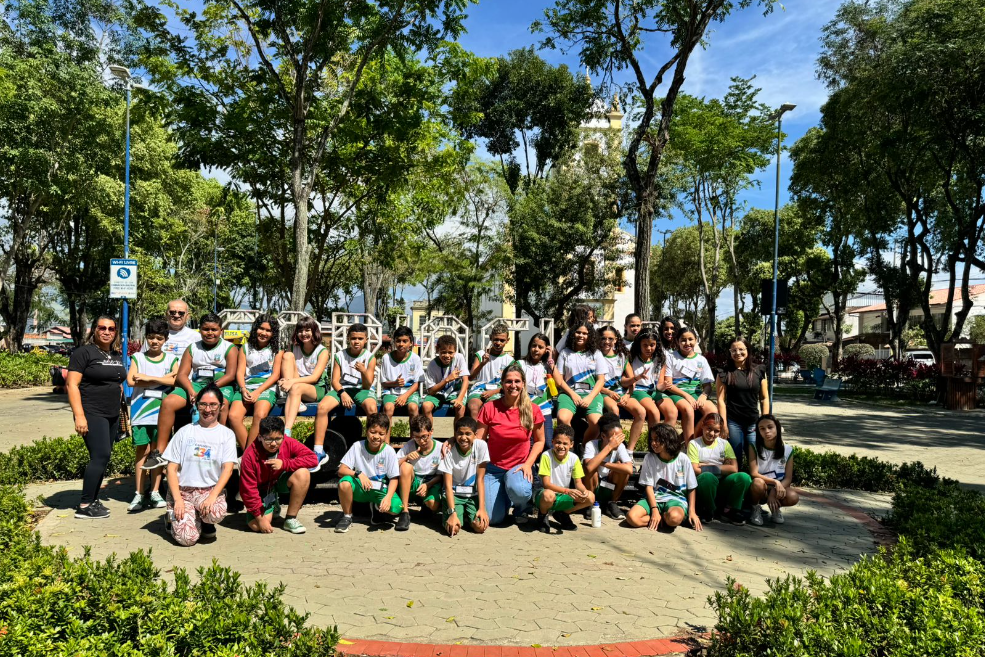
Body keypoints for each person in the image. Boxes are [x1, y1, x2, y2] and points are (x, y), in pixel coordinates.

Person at [143, 313, 238, 471]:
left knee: (222, 404)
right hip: (196, 385)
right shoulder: (192, 347)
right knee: (168, 402)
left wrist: (208, 391)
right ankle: (160, 452)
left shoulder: (229, 348)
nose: (209, 333)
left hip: (221, 385)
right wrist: (191, 390)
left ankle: (219, 448)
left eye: (214, 329)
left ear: (221, 331)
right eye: (205, 329)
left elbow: (231, 375)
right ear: (199, 330)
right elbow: (181, 375)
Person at [161, 383, 238, 546]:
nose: (208, 409)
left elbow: (228, 469)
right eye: (203, 404)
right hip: (183, 492)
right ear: (196, 405)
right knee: (187, 539)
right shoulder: (184, 432)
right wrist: (178, 500)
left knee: (215, 512)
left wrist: (212, 497)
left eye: (213, 405)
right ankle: (171, 518)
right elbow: (171, 469)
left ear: (221, 406)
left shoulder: (227, 435)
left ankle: (204, 520)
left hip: (208, 491)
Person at [67, 315, 127, 519]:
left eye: (111, 328)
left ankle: (93, 499)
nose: (107, 332)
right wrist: (79, 416)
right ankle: (85, 505)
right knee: (100, 456)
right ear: (94, 330)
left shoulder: (115, 355)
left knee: (104, 457)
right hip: (92, 412)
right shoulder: (83, 353)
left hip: (112, 414)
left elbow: (116, 382)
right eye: (102, 328)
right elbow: (72, 385)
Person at [473, 363, 546, 525]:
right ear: (502, 384)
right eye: (508, 381)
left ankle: (521, 507)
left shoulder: (533, 409)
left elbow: (540, 441)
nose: (513, 385)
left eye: (517, 381)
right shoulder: (490, 407)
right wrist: (453, 441)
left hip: (519, 466)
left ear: (523, 384)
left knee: (520, 490)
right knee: (493, 519)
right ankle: (504, 497)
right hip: (493, 468)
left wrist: (528, 464)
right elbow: (478, 440)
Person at [126, 317, 179, 512]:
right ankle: (139, 493)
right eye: (151, 337)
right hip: (140, 413)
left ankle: (155, 491)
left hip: (162, 415)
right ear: (146, 338)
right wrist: (163, 379)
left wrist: (147, 378)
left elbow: (176, 381)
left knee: (158, 453)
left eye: (159, 338)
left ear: (165, 339)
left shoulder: (172, 359)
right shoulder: (137, 358)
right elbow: (131, 381)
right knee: (142, 451)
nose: (154, 341)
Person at [313, 322, 378, 465]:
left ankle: (371, 447)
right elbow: (335, 381)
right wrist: (342, 393)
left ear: (366, 340)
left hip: (362, 390)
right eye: (353, 338)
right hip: (343, 389)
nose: (356, 342)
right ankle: (318, 450)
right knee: (322, 407)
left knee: (372, 408)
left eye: (360, 339)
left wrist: (363, 371)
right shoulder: (340, 355)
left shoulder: (370, 357)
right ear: (348, 338)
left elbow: (367, 385)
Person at [239, 416, 316, 535]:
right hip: (261, 491)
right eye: (268, 439)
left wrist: (285, 464)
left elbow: (313, 459)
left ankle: (290, 518)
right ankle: (271, 503)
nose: (274, 444)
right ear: (260, 437)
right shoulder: (249, 456)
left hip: (279, 481)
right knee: (257, 526)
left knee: (303, 473)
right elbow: (248, 490)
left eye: (278, 439)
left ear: (283, 436)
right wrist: (260, 518)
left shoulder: (288, 442)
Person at [625, 423, 702, 533]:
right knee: (631, 518)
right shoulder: (649, 458)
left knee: (674, 518)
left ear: (668, 439)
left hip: (676, 499)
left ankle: (665, 518)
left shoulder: (683, 459)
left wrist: (692, 511)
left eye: (657, 440)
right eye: (651, 440)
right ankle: (660, 519)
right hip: (654, 498)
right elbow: (649, 487)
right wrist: (654, 510)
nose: (653, 443)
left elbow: (691, 487)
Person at [335, 413, 402, 533]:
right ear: (367, 431)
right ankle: (347, 516)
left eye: (381, 434)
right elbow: (341, 470)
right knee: (344, 483)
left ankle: (376, 508)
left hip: (380, 489)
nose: (376, 437)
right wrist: (358, 474)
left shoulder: (389, 451)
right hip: (361, 487)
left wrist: (388, 497)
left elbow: (394, 478)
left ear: (386, 434)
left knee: (396, 508)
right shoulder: (357, 446)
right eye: (373, 432)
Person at [229, 314, 283, 450]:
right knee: (233, 416)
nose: (264, 333)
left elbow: (275, 375)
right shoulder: (245, 348)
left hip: (266, 388)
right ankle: (251, 454)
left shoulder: (277, 350)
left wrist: (258, 392)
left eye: (268, 330)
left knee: (260, 415)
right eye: (261, 328)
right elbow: (239, 372)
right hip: (246, 387)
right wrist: (243, 389)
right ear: (255, 329)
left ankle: (248, 456)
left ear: (273, 333)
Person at [716, 336, 769, 470]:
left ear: (748, 350)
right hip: (733, 422)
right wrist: (724, 425)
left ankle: (755, 483)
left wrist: (765, 421)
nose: (737, 353)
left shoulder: (759, 371)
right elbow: (721, 400)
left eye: (741, 349)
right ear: (730, 352)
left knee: (756, 461)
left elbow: (764, 398)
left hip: (753, 422)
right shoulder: (724, 373)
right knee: (735, 461)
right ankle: (737, 482)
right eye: (734, 350)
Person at [688, 413, 751, 525]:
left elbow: (734, 468)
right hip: (704, 486)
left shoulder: (724, 444)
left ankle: (730, 510)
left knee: (744, 477)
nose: (712, 433)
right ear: (702, 425)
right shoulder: (694, 444)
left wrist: (706, 466)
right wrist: (723, 467)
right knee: (707, 477)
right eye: (709, 429)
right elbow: (695, 469)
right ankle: (709, 509)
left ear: (720, 431)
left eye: (716, 431)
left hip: (722, 484)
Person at [553, 320, 606, 442]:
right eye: (578, 332)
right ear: (573, 334)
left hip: (592, 395)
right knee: (563, 418)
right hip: (568, 394)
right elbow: (559, 380)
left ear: (590, 336)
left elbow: (601, 380)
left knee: (596, 423)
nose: (581, 335)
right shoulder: (565, 353)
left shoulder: (596, 353)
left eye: (585, 333)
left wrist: (590, 397)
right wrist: (573, 394)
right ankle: (569, 447)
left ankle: (584, 447)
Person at [535, 424, 594, 532]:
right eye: (558, 442)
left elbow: (578, 483)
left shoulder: (574, 458)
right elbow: (546, 484)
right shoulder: (546, 456)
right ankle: (543, 515)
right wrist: (567, 491)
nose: (561, 446)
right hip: (546, 494)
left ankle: (563, 514)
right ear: (552, 442)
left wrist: (584, 491)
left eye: (565, 443)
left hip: (563, 494)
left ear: (571, 444)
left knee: (590, 497)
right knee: (548, 495)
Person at [279, 317, 330, 438]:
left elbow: (314, 378)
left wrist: (290, 382)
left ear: (314, 331)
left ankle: (287, 431)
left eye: (307, 330)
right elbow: (287, 368)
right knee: (287, 355)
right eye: (300, 331)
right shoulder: (293, 347)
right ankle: (295, 398)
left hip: (316, 388)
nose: (303, 334)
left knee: (296, 388)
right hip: (295, 386)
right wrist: (283, 381)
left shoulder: (322, 351)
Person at [597, 325, 647, 449]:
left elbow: (631, 380)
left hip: (621, 393)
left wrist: (628, 395)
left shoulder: (622, 356)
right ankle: (614, 445)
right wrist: (608, 392)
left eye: (610, 339)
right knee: (614, 410)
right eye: (603, 338)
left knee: (641, 412)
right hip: (603, 392)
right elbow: (593, 383)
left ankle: (629, 450)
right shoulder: (594, 356)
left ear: (615, 340)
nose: (607, 341)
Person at [439, 416, 490, 536]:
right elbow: (448, 486)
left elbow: (480, 479)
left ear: (475, 435)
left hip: (472, 495)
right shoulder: (449, 451)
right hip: (454, 495)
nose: (463, 437)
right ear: (455, 434)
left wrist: (482, 508)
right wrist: (452, 513)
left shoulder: (481, 446)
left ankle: (467, 515)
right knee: (454, 528)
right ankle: (457, 513)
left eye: (468, 434)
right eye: (460, 433)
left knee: (480, 527)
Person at [664, 327, 716, 442]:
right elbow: (668, 384)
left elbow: (707, 385)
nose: (687, 343)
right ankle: (689, 446)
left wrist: (703, 396)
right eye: (683, 340)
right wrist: (686, 396)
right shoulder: (671, 357)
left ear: (696, 340)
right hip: (676, 393)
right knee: (688, 410)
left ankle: (686, 440)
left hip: (696, 393)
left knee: (712, 412)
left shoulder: (701, 360)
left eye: (690, 339)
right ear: (677, 341)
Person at [747, 414, 799, 526]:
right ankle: (755, 509)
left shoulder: (788, 450)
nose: (766, 431)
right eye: (762, 428)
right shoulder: (754, 446)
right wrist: (775, 482)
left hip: (777, 488)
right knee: (757, 482)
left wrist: (774, 492)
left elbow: (788, 478)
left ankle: (775, 508)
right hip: (762, 487)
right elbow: (754, 473)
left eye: (770, 427)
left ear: (777, 428)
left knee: (793, 496)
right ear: (758, 431)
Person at [395, 415, 444, 531]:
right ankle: (405, 511)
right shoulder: (409, 445)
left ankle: (427, 506)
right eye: (417, 437)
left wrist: (428, 485)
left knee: (433, 504)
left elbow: (442, 475)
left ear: (431, 432)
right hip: (414, 481)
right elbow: (393, 466)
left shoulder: (440, 448)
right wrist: (406, 457)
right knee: (405, 466)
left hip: (431, 481)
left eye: (424, 436)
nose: (421, 441)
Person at [623, 329, 677, 432]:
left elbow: (659, 386)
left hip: (654, 391)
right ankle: (653, 441)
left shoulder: (660, 359)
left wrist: (664, 386)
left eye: (652, 345)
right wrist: (636, 378)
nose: (648, 348)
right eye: (645, 345)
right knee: (654, 412)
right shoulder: (632, 358)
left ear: (657, 344)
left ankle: (664, 440)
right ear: (639, 344)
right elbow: (625, 380)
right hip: (638, 390)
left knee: (672, 412)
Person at [581, 413, 633, 520]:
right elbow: (589, 468)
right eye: (614, 438)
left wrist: (602, 463)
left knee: (621, 467)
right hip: (593, 486)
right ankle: (590, 503)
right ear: (603, 436)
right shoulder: (591, 445)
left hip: (609, 486)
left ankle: (611, 503)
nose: (617, 442)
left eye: (620, 437)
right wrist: (609, 447)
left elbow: (629, 469)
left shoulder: (620, 446)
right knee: (591, 468)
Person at [466, 323, 513, 419]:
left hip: (498, 391)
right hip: (479, 389)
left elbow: (510, 383)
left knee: (492, 408)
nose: (498, 343)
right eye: (496, 339)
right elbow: (471, 377)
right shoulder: (481, 354)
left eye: (502, 340)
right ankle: (476, 429)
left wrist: (493, 392)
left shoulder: (509, 360)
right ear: (491, 338)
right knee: (473, 408)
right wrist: (482, 364)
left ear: (507, 340)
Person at [515, 333, 554, 446]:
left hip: (544, 410)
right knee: (528, 443)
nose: (536, 349)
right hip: (525, 409)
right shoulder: (520, 364)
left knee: (548, 443)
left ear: (546, 350)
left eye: (540, 347)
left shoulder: (547, 366)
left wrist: (550, 360)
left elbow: (559, 382)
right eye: (534, 345)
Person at [379, 326, 423, 425]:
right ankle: (386, 435)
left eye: (405, 341)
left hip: (409, 392)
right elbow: (383, 383)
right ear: (394, 342)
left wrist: (405, 396)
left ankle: (414, 435)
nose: (401, 344)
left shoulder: (415, 358)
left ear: (410, 343)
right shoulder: (386, 358)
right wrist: (394, 383)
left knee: (413, 408)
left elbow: (417, 383)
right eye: (398, 341)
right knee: (388, 408)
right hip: (390, 392)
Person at [421, 334, 469, 420]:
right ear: (437, 350)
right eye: (443, 352)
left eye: (450, 352)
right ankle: (429, 429)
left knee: (460, 408)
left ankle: (458, 429)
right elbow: (431, 391)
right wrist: (447, 380)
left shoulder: (459, 358)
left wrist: (459, 399)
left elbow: (465, 380)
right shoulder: (432, 365)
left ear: (455, 351)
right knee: (426, 406)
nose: (447, 355)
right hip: (438, 393)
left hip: (455, 392)